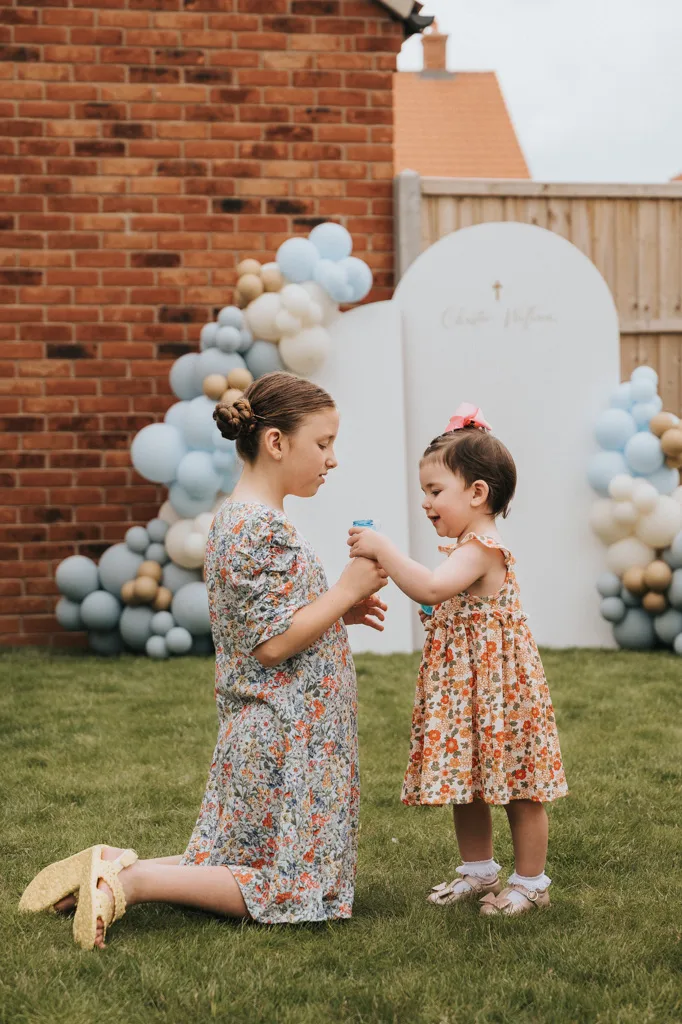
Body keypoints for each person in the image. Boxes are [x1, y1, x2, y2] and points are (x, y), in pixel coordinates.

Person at [20, 372, 388, 949]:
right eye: (322, 444)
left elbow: (266, 619)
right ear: (275, 443)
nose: (332, 459)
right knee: (285, 886)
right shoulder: (256, 528)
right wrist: (342, 591)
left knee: (229, 859)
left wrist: (335, 610)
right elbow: (270, 644)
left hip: (273, 725)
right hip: (286, 732)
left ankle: (107, 865)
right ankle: (129, 881)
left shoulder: (244, 520)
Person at [347, 403, 567, 916]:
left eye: (434, 491)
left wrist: (384, 549)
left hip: (499, 690)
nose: (425, 502)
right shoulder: (463, 549)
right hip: (469, 686)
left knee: (518, 785)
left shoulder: (483, 548)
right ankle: (478, 871)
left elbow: (430, 583)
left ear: (477, 493)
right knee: (466, 783)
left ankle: (531, 882)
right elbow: (437, 596)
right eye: (424, 491)